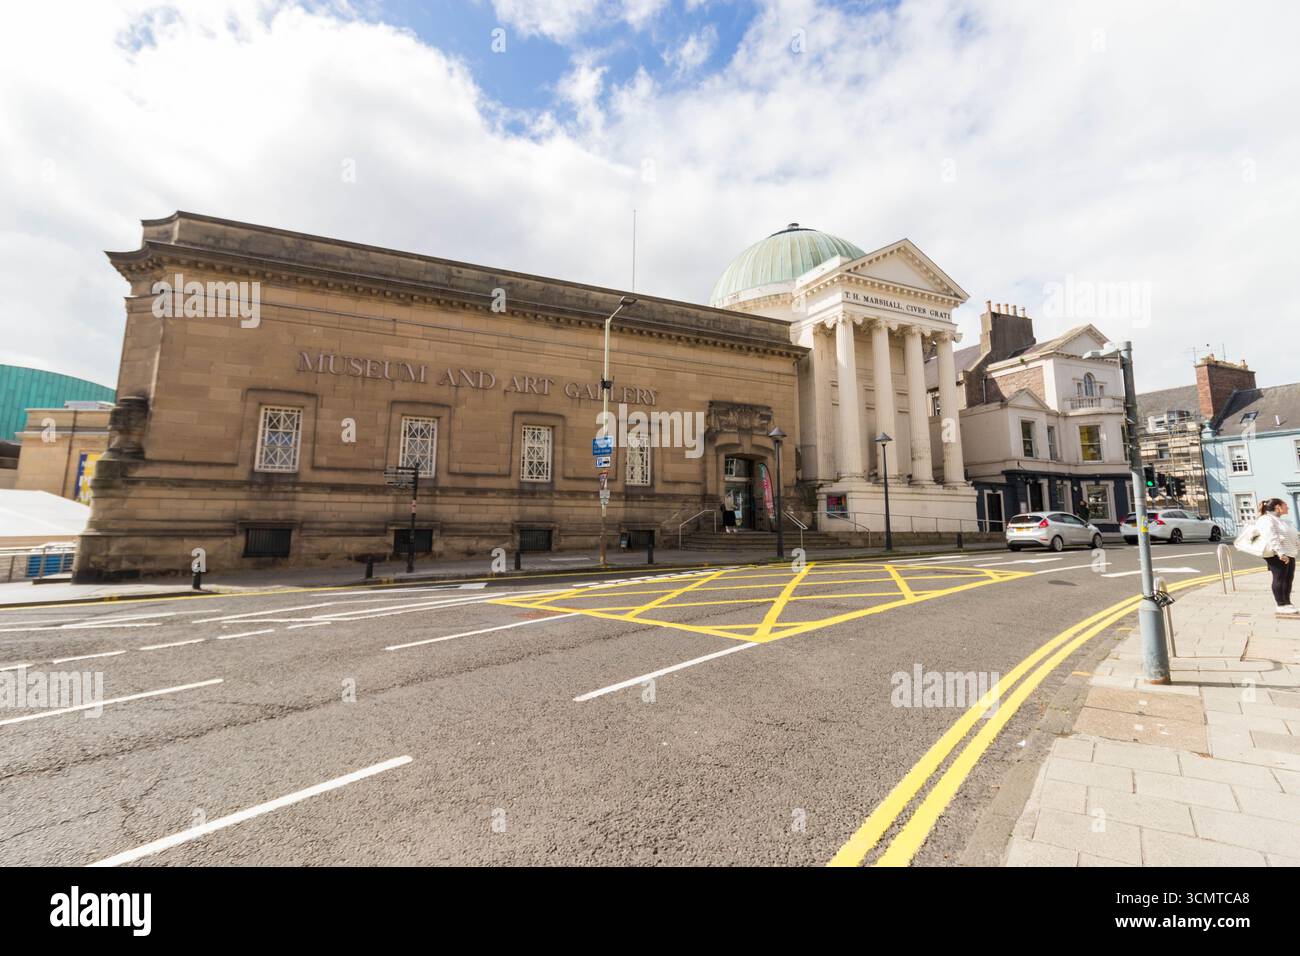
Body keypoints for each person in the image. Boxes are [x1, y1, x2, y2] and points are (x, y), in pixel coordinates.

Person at [1257, 498, 1299, 614]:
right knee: (1279, 578)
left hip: (1289, 553)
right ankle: (1280, 605)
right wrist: (1280, 553)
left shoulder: (1281, 521)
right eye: (1285, 505)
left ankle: (1287, 603)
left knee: (1288, 579)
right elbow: (1271, 537)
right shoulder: (1266, 519)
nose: (1288, 507)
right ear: (1278, 507)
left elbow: (1292, 536)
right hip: (1276, 554)